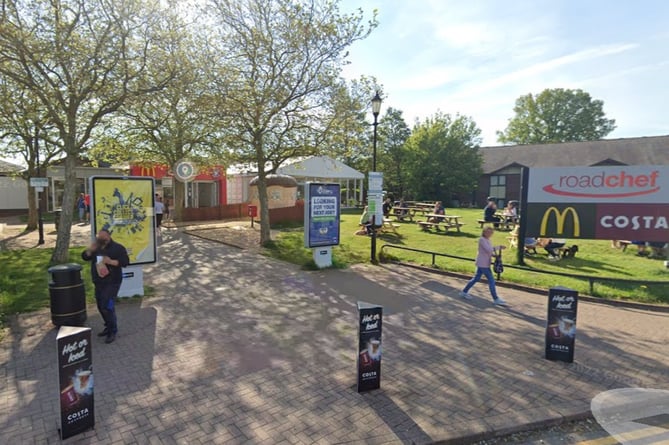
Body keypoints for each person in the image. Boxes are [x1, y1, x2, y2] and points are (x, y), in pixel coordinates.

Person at [81, 229, 129, 344]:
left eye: (104, 238)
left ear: (109, 236)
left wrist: (111, 261)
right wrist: (89, 250)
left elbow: (125, 262)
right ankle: (108, 326)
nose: (102, 241)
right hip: (99, 281)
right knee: (100, 306)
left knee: (107, 306)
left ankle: (113, 331)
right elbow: (85, 257)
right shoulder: (96, 248)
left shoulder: (118, 248)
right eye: (99, 238)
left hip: (112, 282)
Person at [459, 227, 507, 305]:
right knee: (491, 280)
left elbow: (487, 251)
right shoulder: (482, 240)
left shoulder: (487, 240)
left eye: (491, 233)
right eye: (488, 232)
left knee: (476, 278)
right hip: (483, 264)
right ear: (484, 232)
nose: (489, 234)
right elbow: (488, 249)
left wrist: (494, 255)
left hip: (483, 263)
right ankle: (495, 298)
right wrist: (499, 247)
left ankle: (464, 292)